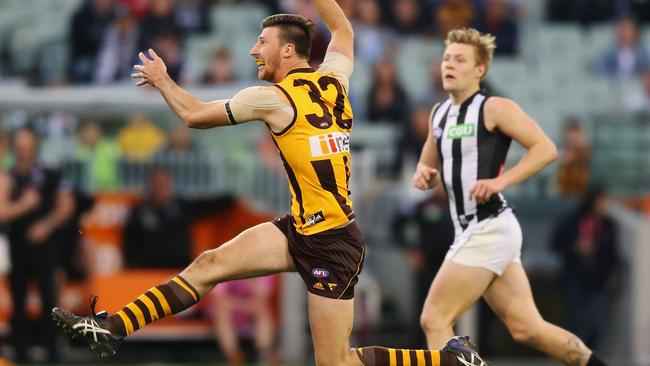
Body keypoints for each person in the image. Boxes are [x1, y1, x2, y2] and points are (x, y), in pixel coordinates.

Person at [52, 2, 486, 366]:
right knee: (209, 265)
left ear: (289, 51)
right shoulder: (335, 79)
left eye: (263, 44)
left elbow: (194, 116)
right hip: (300, 227)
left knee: (335, 362)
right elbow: (344, 30)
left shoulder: (272, 98)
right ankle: (112, 328)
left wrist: (163, 81)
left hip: (332, 242)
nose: (254, 50)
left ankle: (448, 359)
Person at [411, 27, 609, 366]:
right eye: (446, 58)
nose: (450, 64)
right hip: (477, 230)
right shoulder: (438, 114)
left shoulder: (494, 108)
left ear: (480, 70)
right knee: (528, 329)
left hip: (487, 226)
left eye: (460, 59)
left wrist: (501, 182)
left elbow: (546, 150)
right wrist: (423, 175)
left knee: (434, 319)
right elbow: (427, 167)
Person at [2, 127, 75, 363]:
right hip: (17, 244)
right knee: (18, 298)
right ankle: (21, 350)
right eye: (19, 143)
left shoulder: (50, 173)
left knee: (49, 297)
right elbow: (2, 211)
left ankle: (52, 349)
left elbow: (66, 204)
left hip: (45, 246)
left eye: (27, 143)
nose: (23, 148)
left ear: (34, 145)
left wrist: (46, 225)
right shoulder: (8, 175)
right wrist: (24, 205)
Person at [550, 185, 620, 349]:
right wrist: (575, 248)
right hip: (575, 281)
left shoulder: (608, 225)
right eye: (602, 202)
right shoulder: (571, 221)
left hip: (598, 283)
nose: (604, 206)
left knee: (596, 325)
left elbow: (612, 255)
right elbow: (555, 244)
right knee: (574, 324)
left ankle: (587, 358)